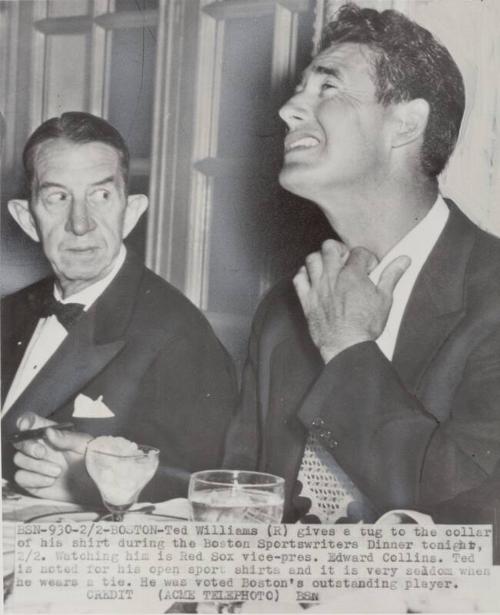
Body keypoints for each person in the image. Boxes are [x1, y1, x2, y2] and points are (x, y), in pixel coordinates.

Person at [223, 3, 500, 559]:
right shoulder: (284, 309)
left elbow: (477, 531)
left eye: (328, 88)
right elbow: (242, 499)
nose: (287, 109)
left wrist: (348, 348)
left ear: (406, 124)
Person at [2, 111, 236, 503]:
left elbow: (210, 488)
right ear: (27, 219)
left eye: (101, 196)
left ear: (130, 212)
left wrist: (87, 481)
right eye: (58, 197)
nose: (81, 223)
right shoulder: (9, 312)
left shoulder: (178, 333)